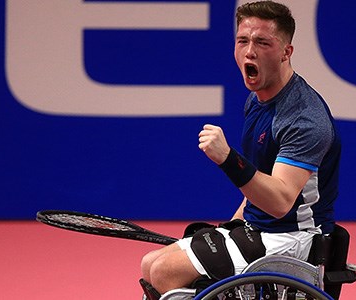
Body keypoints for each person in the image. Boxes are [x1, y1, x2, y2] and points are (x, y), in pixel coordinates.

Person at [139, 1, 341, 298]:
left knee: (165, 272)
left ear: (286, 52)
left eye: (262, 42)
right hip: (260, 228)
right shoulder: (257, 101)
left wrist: (227, 158)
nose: (249, 51)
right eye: (242, 40)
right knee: (151, 264)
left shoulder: (303, 118)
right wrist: (233, 225)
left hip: (293, 238)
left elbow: (281, 201)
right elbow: (259, 185)